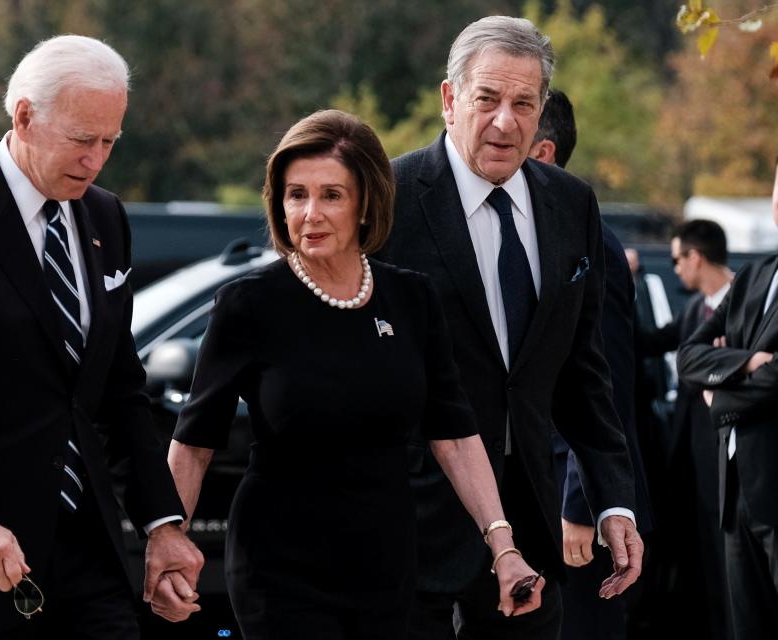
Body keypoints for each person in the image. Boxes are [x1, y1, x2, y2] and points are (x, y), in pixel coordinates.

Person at [0, 35, 203, 638]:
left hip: (88, 550)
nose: (96, 159)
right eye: (81, 139)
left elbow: (120, 390)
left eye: (109, 141)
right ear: (24, 116)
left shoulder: (105, 215)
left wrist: (162, 524)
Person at [167, 109, 543, 640]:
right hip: (280, 567)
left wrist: (503, 546)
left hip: (387, 564)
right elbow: (194, 443)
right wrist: (168, 541)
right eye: (296, 195)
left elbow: (455, 436)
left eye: (332, 195)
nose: (310, 213)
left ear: (366, 203)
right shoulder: (249, 304)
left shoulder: (412, 298)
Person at [378, 16, 643, 640]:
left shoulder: (570, 204)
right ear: (449, 99)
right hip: (409, 515)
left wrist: (611, 495)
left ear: (541, 108)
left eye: (524, 103)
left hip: (530, 521)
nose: (506, 122)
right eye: (487, 99)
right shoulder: (386, 196)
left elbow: (583, 369)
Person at [528, 90, 654, 640]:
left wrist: (582, 502)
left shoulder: (587, 241)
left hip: (575, 505)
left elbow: (600, 383)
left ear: (544, 152)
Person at [676, 165, 778, 639]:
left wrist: (718, 397)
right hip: (735, 490)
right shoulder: (754, 276)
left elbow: (776, 381)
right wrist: (746, 362)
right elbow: (690, 355)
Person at [637, 219, 733, 640]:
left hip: (731, 457)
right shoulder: (695, 310)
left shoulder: (751, 301)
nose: (675, 270)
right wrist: (629, 281)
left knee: (728, 561)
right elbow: (648, 341)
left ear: (696, 256)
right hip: (688, 459)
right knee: (696, 560)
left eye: (677, 259)